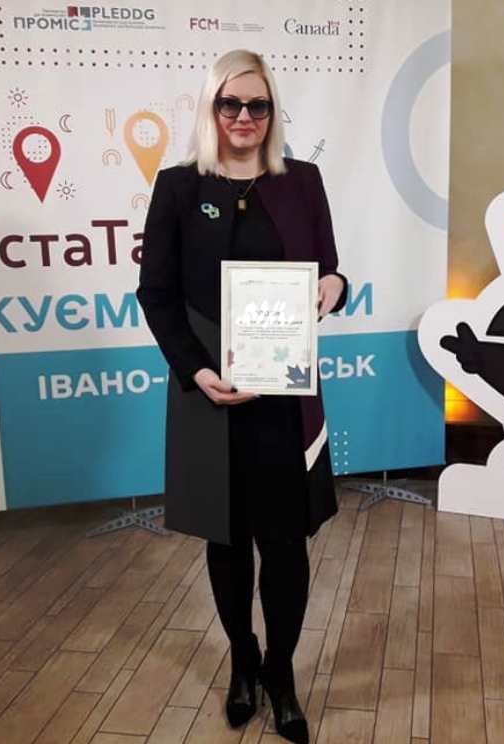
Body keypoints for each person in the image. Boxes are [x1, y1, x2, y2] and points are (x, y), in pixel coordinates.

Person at [136, 49, 347, 744]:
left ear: (272, 111)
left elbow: (331, 270)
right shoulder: (177, 187)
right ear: (212, 108)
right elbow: (156, 294)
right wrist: (196, 371)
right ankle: (243, 658)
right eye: (231, 103)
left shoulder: (302, 181)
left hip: (283, 396)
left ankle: (280, 673)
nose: (244, 117)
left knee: (285, 543)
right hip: (211, 391)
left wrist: (335, 285)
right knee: (226, 540)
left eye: (258, 105)